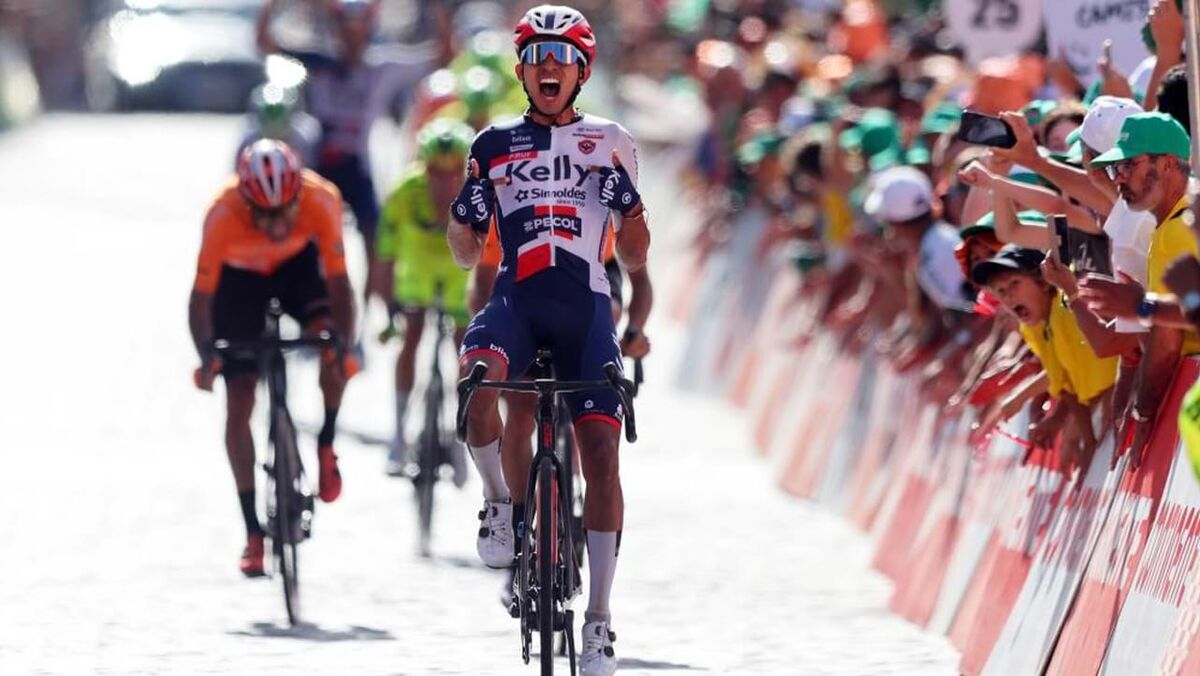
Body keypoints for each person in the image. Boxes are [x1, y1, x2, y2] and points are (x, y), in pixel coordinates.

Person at [446, 6, 650, 674]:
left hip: (586, 310)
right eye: (537, 56)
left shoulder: (613, 140)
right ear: (522, 70)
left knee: (602, 455)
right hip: (517, 302)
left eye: (562, 56)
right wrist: (464, 218)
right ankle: (498, 503)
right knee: (476, 376)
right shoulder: (492, 143)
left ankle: (599, 621)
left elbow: (637, 256)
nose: (549, 67)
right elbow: (464, 252)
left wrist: (629, 206)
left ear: (582, 70)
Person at [189, 140, 358, 577]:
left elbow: (339, 285)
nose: (277, 224)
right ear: (245, 202)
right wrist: (207, 356)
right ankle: (252, 532)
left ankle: (326, 443)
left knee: (331, 341)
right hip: (239, 282)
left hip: (296, 271)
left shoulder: (322, 199)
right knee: (239, 400)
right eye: (264, 215)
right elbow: (201, 299)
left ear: (299, 194)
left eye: (286, 211)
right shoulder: (222, 213)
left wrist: (342, 344)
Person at [256, 0, 431, 299]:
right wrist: (274, 5)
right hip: (318, 166)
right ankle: (304, 297)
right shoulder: (318, 63)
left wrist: (437, 9)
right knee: (298, 234)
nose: (351, 40)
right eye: (345, 32)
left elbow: (441, 55)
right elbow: (265, 43)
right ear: (335, 32)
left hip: (357, 166)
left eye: (358, 32)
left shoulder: (380, 68)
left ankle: (369, 308)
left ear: (368, 32)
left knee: (376, 238)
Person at [1079, 112, 1198, 467]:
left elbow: (1168, 338)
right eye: (1115, 168)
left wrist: (1144, 412)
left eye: (1129, 165)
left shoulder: (1179, 227)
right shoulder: (1171, 224)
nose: (1118, 178)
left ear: (1168, 164)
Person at [374, 118, 474, 482]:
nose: (445, 182)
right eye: (436, 172)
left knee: (466, 350)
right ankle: (399, 432)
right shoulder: (404, 191)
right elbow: (384, 254)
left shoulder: (479, 194)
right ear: (424, 167)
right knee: (411, 336)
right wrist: (387, 306)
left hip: (459, 275)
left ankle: (462, 436)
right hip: (416, 273)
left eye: (454, 173)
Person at [972, 246, 1118, 470]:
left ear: (1043, 282)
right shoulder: (1034, 326)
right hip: (1098, 403)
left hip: (1117, 393)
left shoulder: (1067, 310)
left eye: (1015, 283)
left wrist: (1082, 435)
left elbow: (1113, 373)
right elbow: (1067, 387)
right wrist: (1087, 440)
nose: (1008, 296)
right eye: (1000, 291)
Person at [236, 83, 321, 168]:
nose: (273, 129)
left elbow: (309, 169)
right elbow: (238, 169)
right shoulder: (249, 141)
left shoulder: (301, 141)